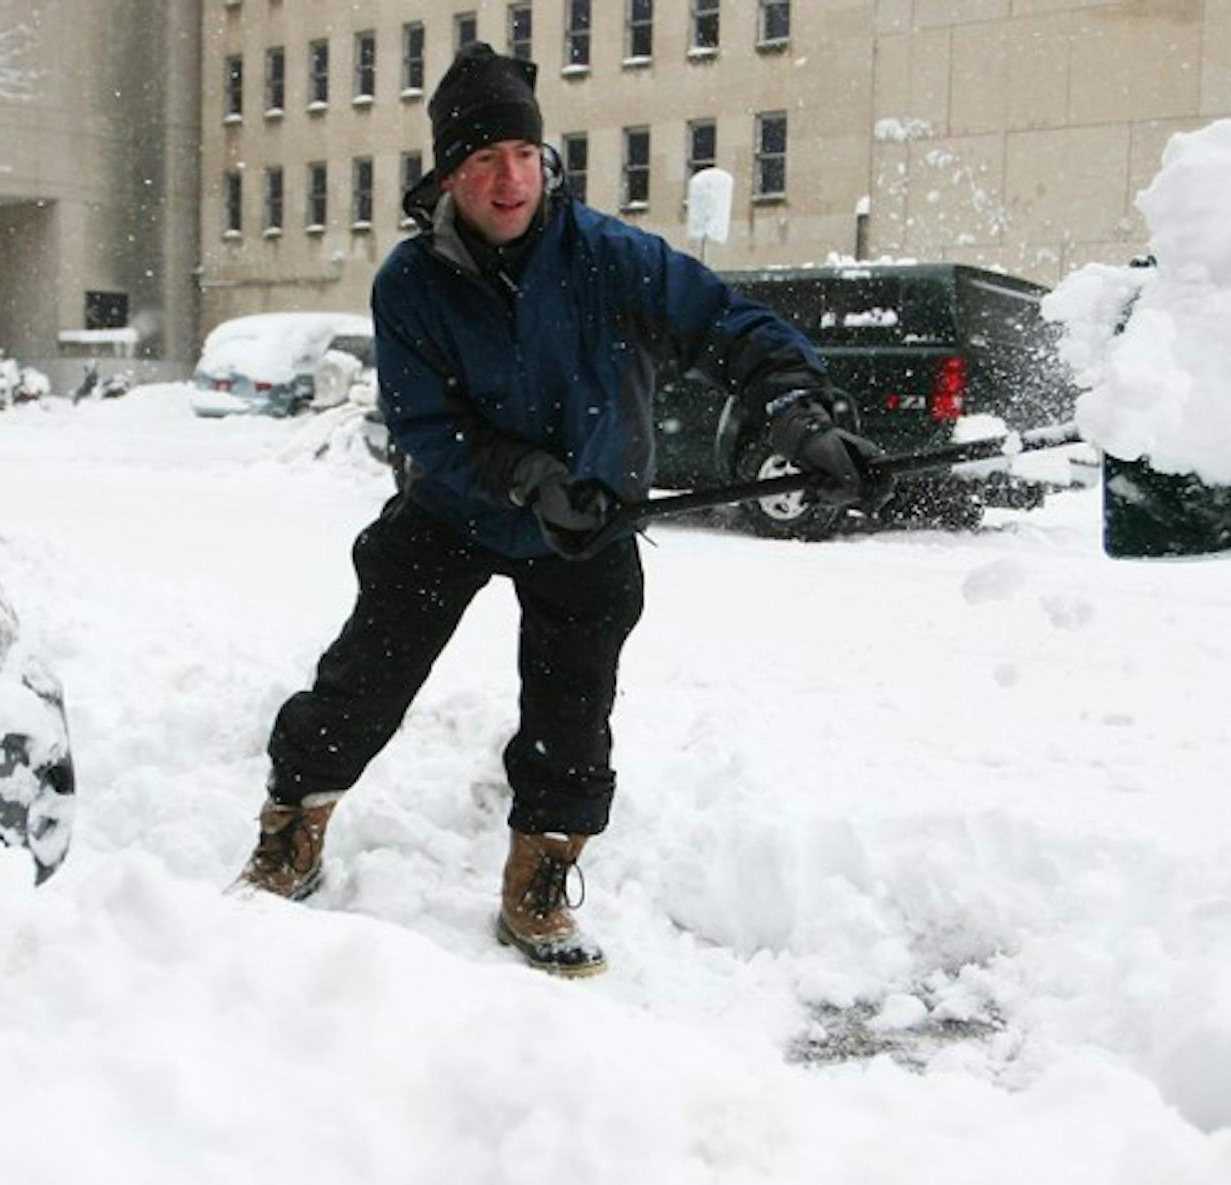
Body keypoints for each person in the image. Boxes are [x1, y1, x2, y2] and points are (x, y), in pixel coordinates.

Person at [237, 43, 864, 977]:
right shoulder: (410, 284)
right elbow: (422, 422)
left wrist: (797, 412)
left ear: (545, 159)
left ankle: (542, 869)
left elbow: (726, 325)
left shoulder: (609, 257)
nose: (508, 177)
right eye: (484, 158)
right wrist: (527, 477)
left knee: (573, 708)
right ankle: (295, 817)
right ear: (450, 174)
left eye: (523, 154)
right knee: (365, 675)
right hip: (454, 511)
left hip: (593, 521)